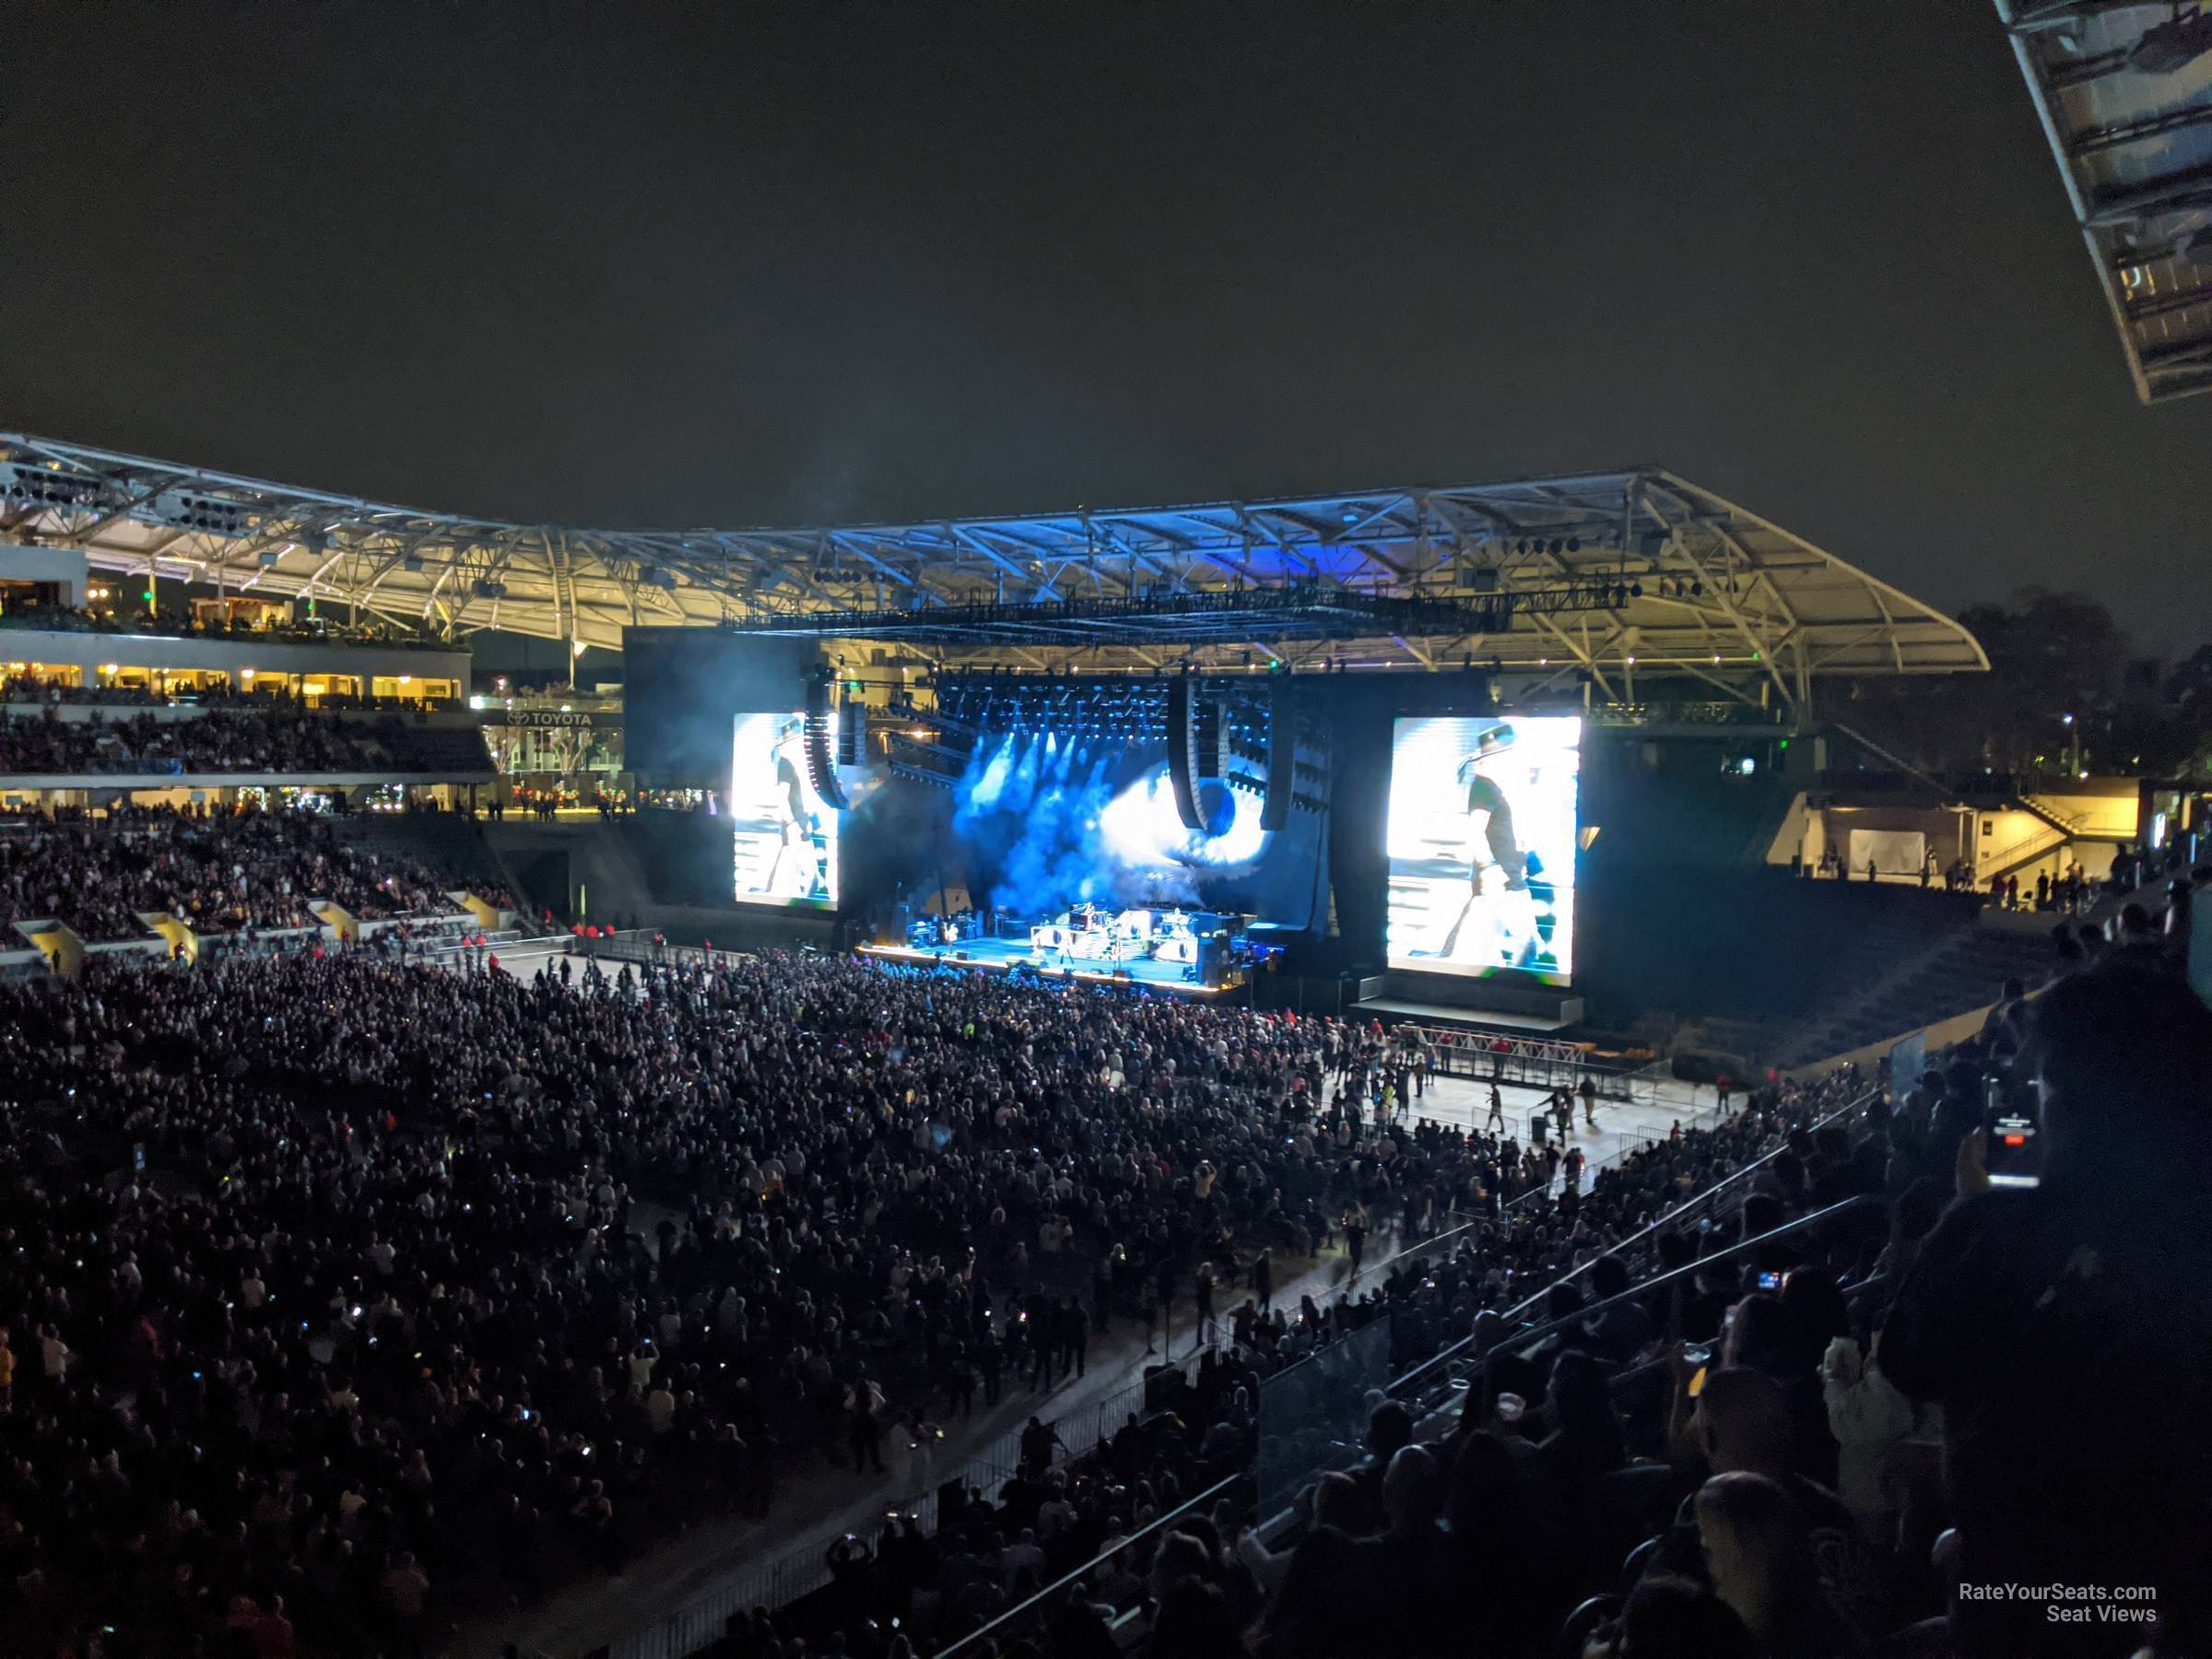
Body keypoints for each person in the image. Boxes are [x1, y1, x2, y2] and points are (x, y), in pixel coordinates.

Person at [1879, 960, 2212, 1656]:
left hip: (2032, 1594)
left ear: (2065, 1089)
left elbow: (1909, 1354)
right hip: (2171, 1591)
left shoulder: (2014, 1226)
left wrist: (1970, 1210)